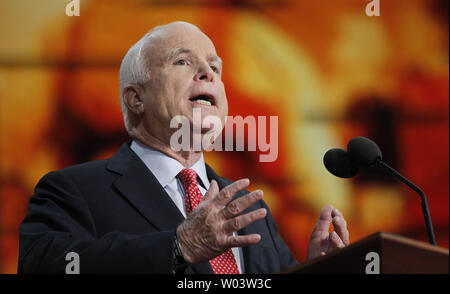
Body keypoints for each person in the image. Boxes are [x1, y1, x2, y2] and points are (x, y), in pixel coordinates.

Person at [18, 21, 349, 274]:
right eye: (182, 62)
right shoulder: (71, 191)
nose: (207, 73)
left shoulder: (251, 214)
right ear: (136, 98)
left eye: (214, 68)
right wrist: (179, 246)